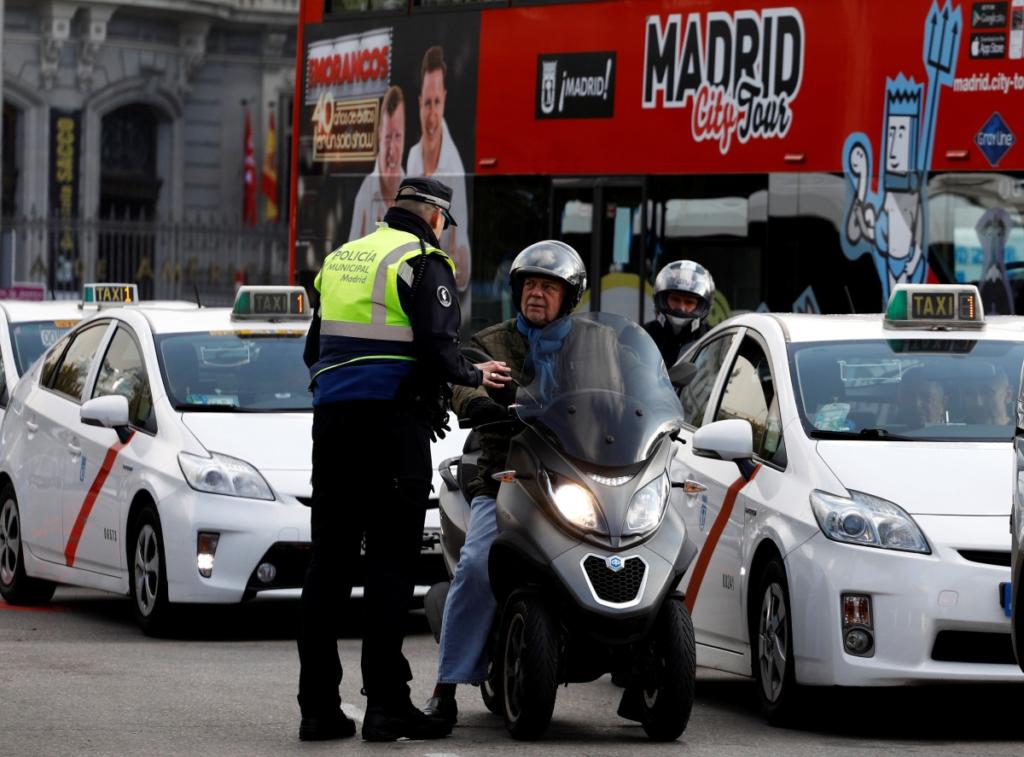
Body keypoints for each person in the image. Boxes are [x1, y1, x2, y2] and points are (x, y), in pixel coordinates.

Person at [296, 176, 512, 742]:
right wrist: (474, 375)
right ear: (436, 217)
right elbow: (440, 349)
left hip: (334, 428)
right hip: (392, 431)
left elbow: (313, 350)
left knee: (330, 565)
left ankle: (317, 708)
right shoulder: (421, 260)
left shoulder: (343, 259)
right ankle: (386, 704)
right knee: (390, 565)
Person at [420, 240, 587, 727]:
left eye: (548, 287)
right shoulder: (492, 342)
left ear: (568, 295)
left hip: (579, 478)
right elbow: (461, 377)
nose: (537, 294)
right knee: (476, 564)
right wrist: (472, 399)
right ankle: (445, 689)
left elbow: (626, 385)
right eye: (530, 285)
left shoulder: (593, 345)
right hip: (506, 477)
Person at [406, 45, 472, 318]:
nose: (432, 116)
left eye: (437, 103)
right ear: (419, 101)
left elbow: (463, 263)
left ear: (444, 100)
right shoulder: (412, 156)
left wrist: (456, 261)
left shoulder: (455, 169)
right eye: (426, 104)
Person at [348, 86, 406, 241]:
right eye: (387, 137)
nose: (392, 150)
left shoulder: (412, 194)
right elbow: (350, 257)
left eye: (398, 136)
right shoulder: (365, 195)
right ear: (379, 134)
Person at [644, 260, 715, 367]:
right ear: (663, 299)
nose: (681, 308)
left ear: (701, 306)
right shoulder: (644, 334)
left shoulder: (713, 339)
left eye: (689, 302)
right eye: (675, 299)